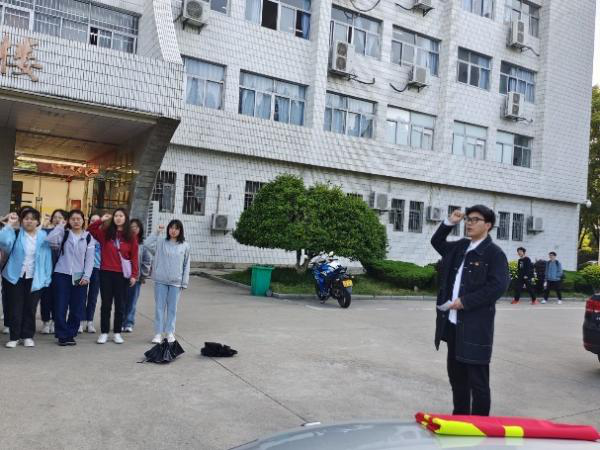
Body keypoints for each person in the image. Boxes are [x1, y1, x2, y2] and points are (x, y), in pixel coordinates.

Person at [431, 205, 510, 416]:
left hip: (475, 328)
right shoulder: (461, 246)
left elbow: (498, 286)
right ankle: (460, 418)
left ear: (488, 225)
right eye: (468, 219)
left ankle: (481, 425)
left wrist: (465, 302)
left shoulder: (494, 254)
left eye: (475, 220)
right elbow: (437, 242)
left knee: (478, 382)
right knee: (457, 378)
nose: (469, 223)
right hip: (453, 325)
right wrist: (450, 222)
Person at [0, 209, 52, 348]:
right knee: (15, 307)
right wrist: (9, 225)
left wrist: (47, 277)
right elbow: (3, 242)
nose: (29, 221)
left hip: (35, 277)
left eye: (33, 218)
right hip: (14, 276)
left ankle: (27, 336)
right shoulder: (16, 233)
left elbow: (47, 258)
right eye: (26, 218)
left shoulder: (43, 236)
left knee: (30, 307)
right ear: (21, 221)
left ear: (38, 221)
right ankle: (14, 337)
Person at [88, 209, 138, 344]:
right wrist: (101, 220)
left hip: (122, 275)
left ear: (125, 218)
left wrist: (134, 275)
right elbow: (90, 230)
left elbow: (134, 256)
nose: (118, 218)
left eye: (121, 216)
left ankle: (117, 332)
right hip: (106, 272)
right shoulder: (105, 233)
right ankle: (104, 332)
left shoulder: (131, 236)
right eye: (116, 216)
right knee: (106, 304)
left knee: (120, 305)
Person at [46, 210, 96, 346]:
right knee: (60, 306)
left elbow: (90, 259)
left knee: (77, 307)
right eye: (73, 219)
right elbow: (49, 240)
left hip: (79, 276)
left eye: (78, 219)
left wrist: (87, 275)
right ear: (69, 220)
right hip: (61, 274)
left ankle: (70, 334)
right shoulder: (64, 233)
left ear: (83, 220)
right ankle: (62, 335)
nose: (76, 221)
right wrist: (59, 226)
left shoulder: (88, 237)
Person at [145, 220, 190, 344]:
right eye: (171, 228)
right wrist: (156, 232)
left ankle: (170, 332)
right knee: (159, 308)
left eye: (176, 228)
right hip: (161, 280)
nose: (173, 230)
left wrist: (184, 282)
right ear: (168, 229)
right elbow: (147, 244)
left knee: (172, 309)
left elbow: (186, 265)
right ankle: (158, 333)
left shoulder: (185, 245)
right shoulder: (161, 243)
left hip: (176, 282)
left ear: (180, 231)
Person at [40, 209, 68, 335]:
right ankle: (46, 321)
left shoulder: (68, 233)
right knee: (45, 297)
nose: (57, 219)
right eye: (55, 217)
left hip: (61, 271)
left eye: (60, 217)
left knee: (59, 298)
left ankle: (55, 321)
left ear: (65, 220)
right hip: (47, 270)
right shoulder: (46, 231)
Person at [122, 219, 152, 333]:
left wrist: (143, 275)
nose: (134, 229)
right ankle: (120, 322)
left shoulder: (143, 245)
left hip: (136, 278)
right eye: (131, 227)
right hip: (122, 277)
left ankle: (129, 322)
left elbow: (147, 261)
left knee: (132, 301)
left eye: (136, 227)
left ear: (140, 229)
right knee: (122, 301)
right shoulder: (123, 241)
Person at [82, 214, 102, 333]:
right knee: (81, 296)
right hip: (82, 269)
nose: (95, 222)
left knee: (93, 297)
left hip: (97, 269)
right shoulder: (84, 235)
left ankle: (89, 321)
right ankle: (79, 321)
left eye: (97, 221)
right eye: (92, 220)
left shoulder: (103, 236)